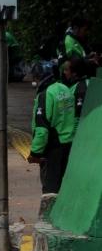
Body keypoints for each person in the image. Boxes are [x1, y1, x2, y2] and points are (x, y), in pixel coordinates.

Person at [29, 61, 75, 194]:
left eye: (36, 77)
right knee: (62, 184)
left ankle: (49, 214)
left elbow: (42, 128)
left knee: (50, 188)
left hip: (53, 147)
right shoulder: (65, 89)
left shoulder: (45, 95)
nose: (34, 81)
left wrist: (35, 153)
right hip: (67, 142)